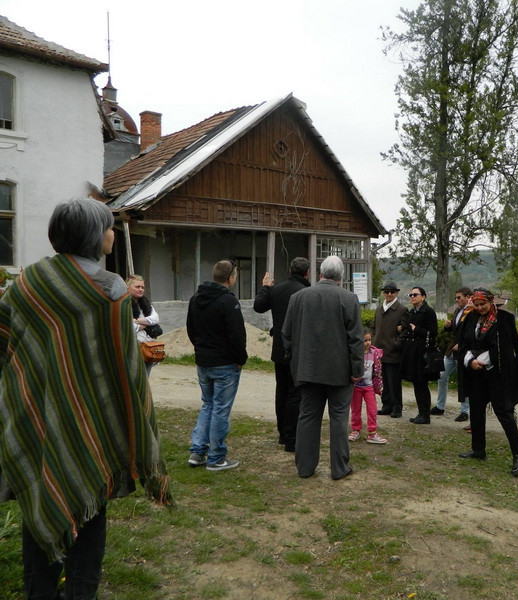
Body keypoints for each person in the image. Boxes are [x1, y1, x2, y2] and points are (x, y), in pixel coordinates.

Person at [0, 197, 172, 599]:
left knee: (41, 499)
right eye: (109, 227)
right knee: (90, 507)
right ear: (95, 235)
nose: (113, 233)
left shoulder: (28, 282)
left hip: (37, 419)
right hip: (93, 423)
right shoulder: (110, 288)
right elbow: (125, 370)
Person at [282, 255, 363, 480]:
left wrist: (295, 361)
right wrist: (357, 370)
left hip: (307, 369)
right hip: (340, 372)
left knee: (308, 416)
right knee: (339, 419)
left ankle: (305, 467)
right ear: (341, 277)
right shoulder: (348, 298)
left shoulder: (298, 297)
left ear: (320, 274)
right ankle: (339, 468)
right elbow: (356, 339)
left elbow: (286, 334)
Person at [457, 289, 518, 476]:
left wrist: (483, 360)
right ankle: (478, 449)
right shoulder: (471, 318)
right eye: (477, 305)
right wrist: (470, 361)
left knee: (503, 412)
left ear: (491, 302)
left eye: (483, 304)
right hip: (476, 374)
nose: (480, 308)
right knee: (476, 410)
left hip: (497, 374)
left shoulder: (504, 319)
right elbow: (464, 343)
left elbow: (507, 347)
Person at [186, 259, 248, 471]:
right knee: (220, 409)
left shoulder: (196, 298)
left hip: (204, 361)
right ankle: (216, 457)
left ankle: (197, 450)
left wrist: (201, 349)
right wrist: (240, 359)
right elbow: (237, 334)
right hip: (225, 363)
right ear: (230, 278)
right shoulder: (228, 301)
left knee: (208, 404)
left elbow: (191, 329)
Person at [253, 257, 311, 452]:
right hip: (299, 350)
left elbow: (258, 306)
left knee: (282, 391)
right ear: (307, 273)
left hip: (279, 348)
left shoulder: (277, 290)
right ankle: (291, 438)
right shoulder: (306, 292)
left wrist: (265, 287)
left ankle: (282, 434)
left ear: (289, 270)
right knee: (295, 394)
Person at [431, 287, 472, 421]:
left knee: (463, 381)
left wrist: (462, 345)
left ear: (468, 297)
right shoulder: (457, 311)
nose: (456, 300)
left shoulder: (472, 312)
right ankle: (440, 406)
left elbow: (472, 333)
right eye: (455, 297)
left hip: (464, 351)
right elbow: (456, 330)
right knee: (441, 376)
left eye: (459, 297)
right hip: (451, 351)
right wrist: (449, 326)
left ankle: (465, 411)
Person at [399, 286, 439, 424]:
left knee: (422, 383)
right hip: (413, 352)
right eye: (411, 295)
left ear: (423, 297)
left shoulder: (428, 311)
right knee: (416, 383)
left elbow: (433, 332)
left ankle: (425, 415)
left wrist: (417, 329)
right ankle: (420, 413)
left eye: (415, 295)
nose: (412, 297)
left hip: (422, 352)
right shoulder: (412, 311)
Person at [374, 281, 409, 418]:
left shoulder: (402, 309)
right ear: (383, 293)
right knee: (383, 382)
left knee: (394, 382)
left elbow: (405, 331)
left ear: (396, 293)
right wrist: (373, 340)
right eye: (387, 292)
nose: (389, 294)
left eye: (392, 292)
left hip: (393, 352)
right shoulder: (379, 309)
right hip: (379, 351)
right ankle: (386, 405)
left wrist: (396, 344)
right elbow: (373, 327)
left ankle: (396, 407)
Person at [349, 331, 387, 444]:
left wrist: (378, 383)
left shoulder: (374, 353)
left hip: (369, 387)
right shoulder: (355, 354)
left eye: (369, 340)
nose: (368, 343)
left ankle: (372, 433)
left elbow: (378, 369)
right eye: (365, 340)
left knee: (372, 409)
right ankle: (355, 430)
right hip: (356, 387)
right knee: (355, 409)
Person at [127, 274, 163, 377]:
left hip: (148, 348)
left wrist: (136, 321)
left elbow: (155, 319)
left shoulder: (146, 305)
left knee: (146, 378)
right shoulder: (124, 305)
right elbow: (126, 326)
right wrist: (143, 325)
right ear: (128, 288)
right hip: (131, 348)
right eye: (137, 287)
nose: (140, 289)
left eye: (142, 287)